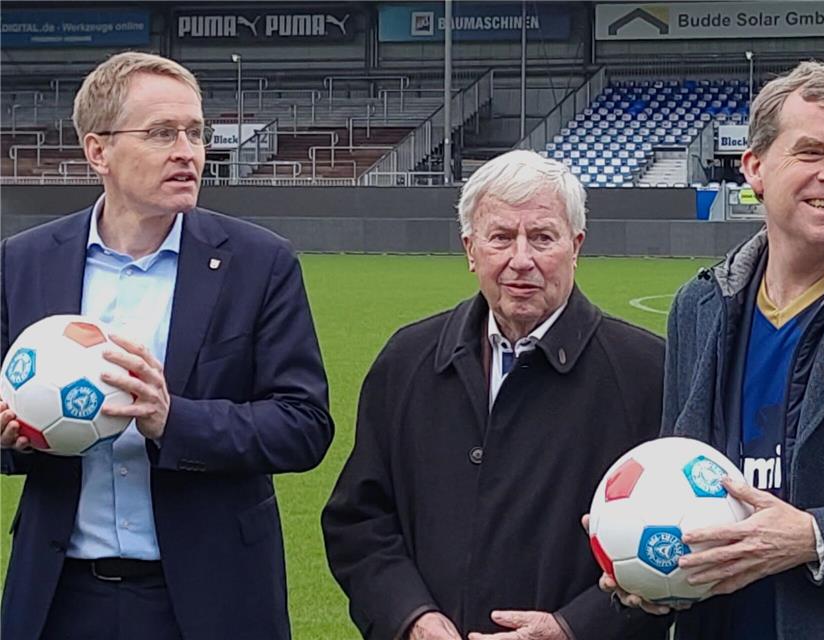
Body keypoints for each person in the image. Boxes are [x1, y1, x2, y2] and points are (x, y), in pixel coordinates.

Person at [603, 60, 824, 639]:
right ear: (756, 168)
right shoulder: (699, 308)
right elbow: (673, 475)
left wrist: (817, 538)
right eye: (812, 152)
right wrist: (644, 566)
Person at [0, 52, 334, 640]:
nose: (187, 150)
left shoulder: (259, 263)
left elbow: (304, 424)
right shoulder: (24, 261)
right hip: (59, 597)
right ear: (97, 151)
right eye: (160, 133)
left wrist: (172, 419)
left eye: (196, 132)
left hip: (213, 599)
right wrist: (14, 436)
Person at [322, 150, 669, 640]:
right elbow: (359, 522)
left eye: (543, 238)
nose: (521, 260)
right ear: (470, 249)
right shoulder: (408, 360)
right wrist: (411, 617)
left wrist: (572, 628)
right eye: (501, 237)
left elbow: (680, 546)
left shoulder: (648, 372)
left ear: (576, 246)